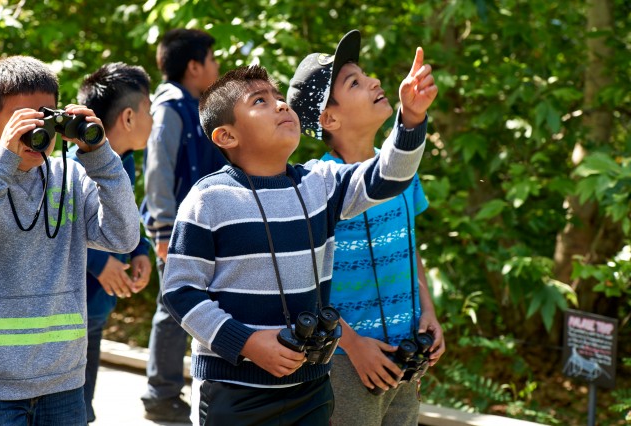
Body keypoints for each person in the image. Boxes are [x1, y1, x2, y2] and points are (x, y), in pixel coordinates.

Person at [161, 38, 436, 425]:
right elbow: (179, 291)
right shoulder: (210, 198)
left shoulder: (320, 183)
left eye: (278, 96)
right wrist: (247, 343)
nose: (280, 104)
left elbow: (388, 176)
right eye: (260, 101)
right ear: (226, 136)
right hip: (235, 391)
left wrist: (410, 118)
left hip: (311, 387)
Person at [287, 30, 446, 426]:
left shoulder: (402, 170)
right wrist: (352, 344)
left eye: (365, 74)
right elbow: (301, 280)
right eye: (353, 82)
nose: (374, 81)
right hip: (344, 363)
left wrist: (428, 311)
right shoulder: (316, 183)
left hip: (406, 354)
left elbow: (410, 248)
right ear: (330, 118)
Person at [0, 55, 140, 424]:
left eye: (43, 117)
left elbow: (123, 237)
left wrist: (100, 157)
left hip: (65, 382)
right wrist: (3, 163)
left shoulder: (70, 177)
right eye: (20, 121)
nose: (35, 131)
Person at [139, 28, 227, 421]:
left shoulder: (197, 105)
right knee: (173, 308)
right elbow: (157, 171)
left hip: (204, 227)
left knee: (198, 306)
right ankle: (160, 394)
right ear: (194, 66)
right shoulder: (171, 107)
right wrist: (162, 229)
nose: (218, 66)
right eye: (212, 59)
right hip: (175, 230)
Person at [74, 62, 154, 423]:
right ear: (127, 118)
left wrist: (141, 251)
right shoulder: (73, 164)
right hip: (69, 312)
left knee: (83, 404)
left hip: (97, 308)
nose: (153, 120)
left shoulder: (128, 160)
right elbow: (59, 225)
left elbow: (126, 215)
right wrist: (98, 261)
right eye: (149, 111)